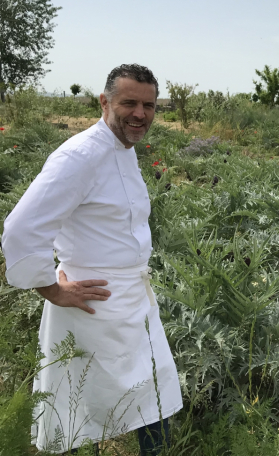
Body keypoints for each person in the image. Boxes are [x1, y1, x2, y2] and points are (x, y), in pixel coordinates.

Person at [2, 64, 182, 454]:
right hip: (92, 303)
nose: (140, 113)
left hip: (133, 298)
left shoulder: (121, 148)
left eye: (149, 105)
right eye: (129, 103)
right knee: (80, 408)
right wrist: (51, 288)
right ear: (104, 102)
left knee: (155, 397)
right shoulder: (80, 155)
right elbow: (21, 228)